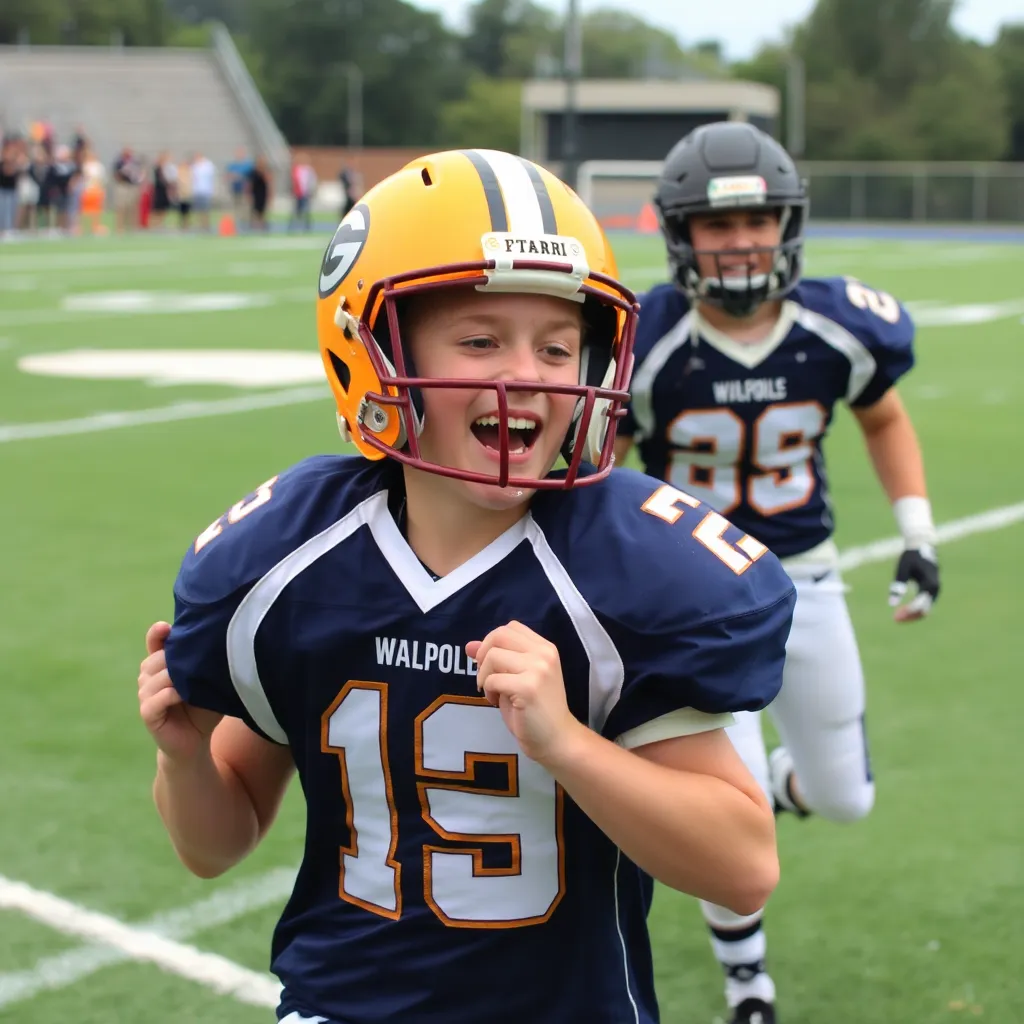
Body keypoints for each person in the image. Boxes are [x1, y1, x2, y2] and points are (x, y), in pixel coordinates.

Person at [137, 148, 797, 1024]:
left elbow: (743, 868)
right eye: (480, 341)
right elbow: (213, 846)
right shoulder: (292, 561)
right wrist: (183, 758)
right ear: (372, 349)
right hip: (341, 1004)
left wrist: (568, 746)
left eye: (557, 347)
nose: (525, 374)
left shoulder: (626, 569)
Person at [615, 122, 942, 1024]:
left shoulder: (838, 326)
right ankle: (747, 983)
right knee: (728, 813)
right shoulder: (647, 339)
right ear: (680, 234)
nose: (740, 242)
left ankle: (786, 786)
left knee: (846, 799)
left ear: (787, 224)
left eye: (757, 220)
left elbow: (884, 418)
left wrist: (917, 534)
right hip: (693, 599)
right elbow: (603, 471)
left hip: (807, 581)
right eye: (717, 225)